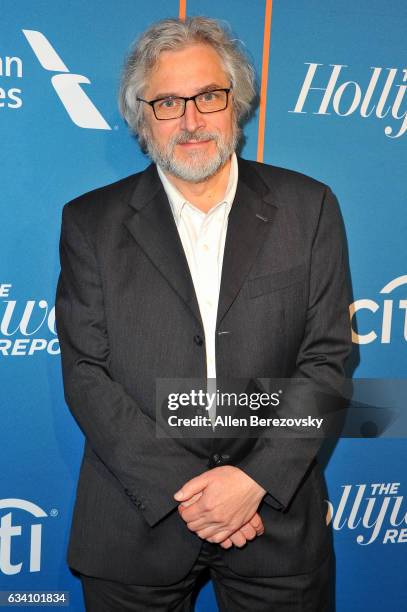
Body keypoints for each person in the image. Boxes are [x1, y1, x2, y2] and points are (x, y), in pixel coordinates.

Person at [55, 16, 352, 612]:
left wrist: (253, 480)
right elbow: (87, 374)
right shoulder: (89, 223)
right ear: (143, 118)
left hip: (274, 518)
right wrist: (190, 495)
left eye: (208, 96)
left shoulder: (308, 207)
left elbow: (329, 360)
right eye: (167, 102)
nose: (191, 120)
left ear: (236, 102)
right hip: (134, 522)